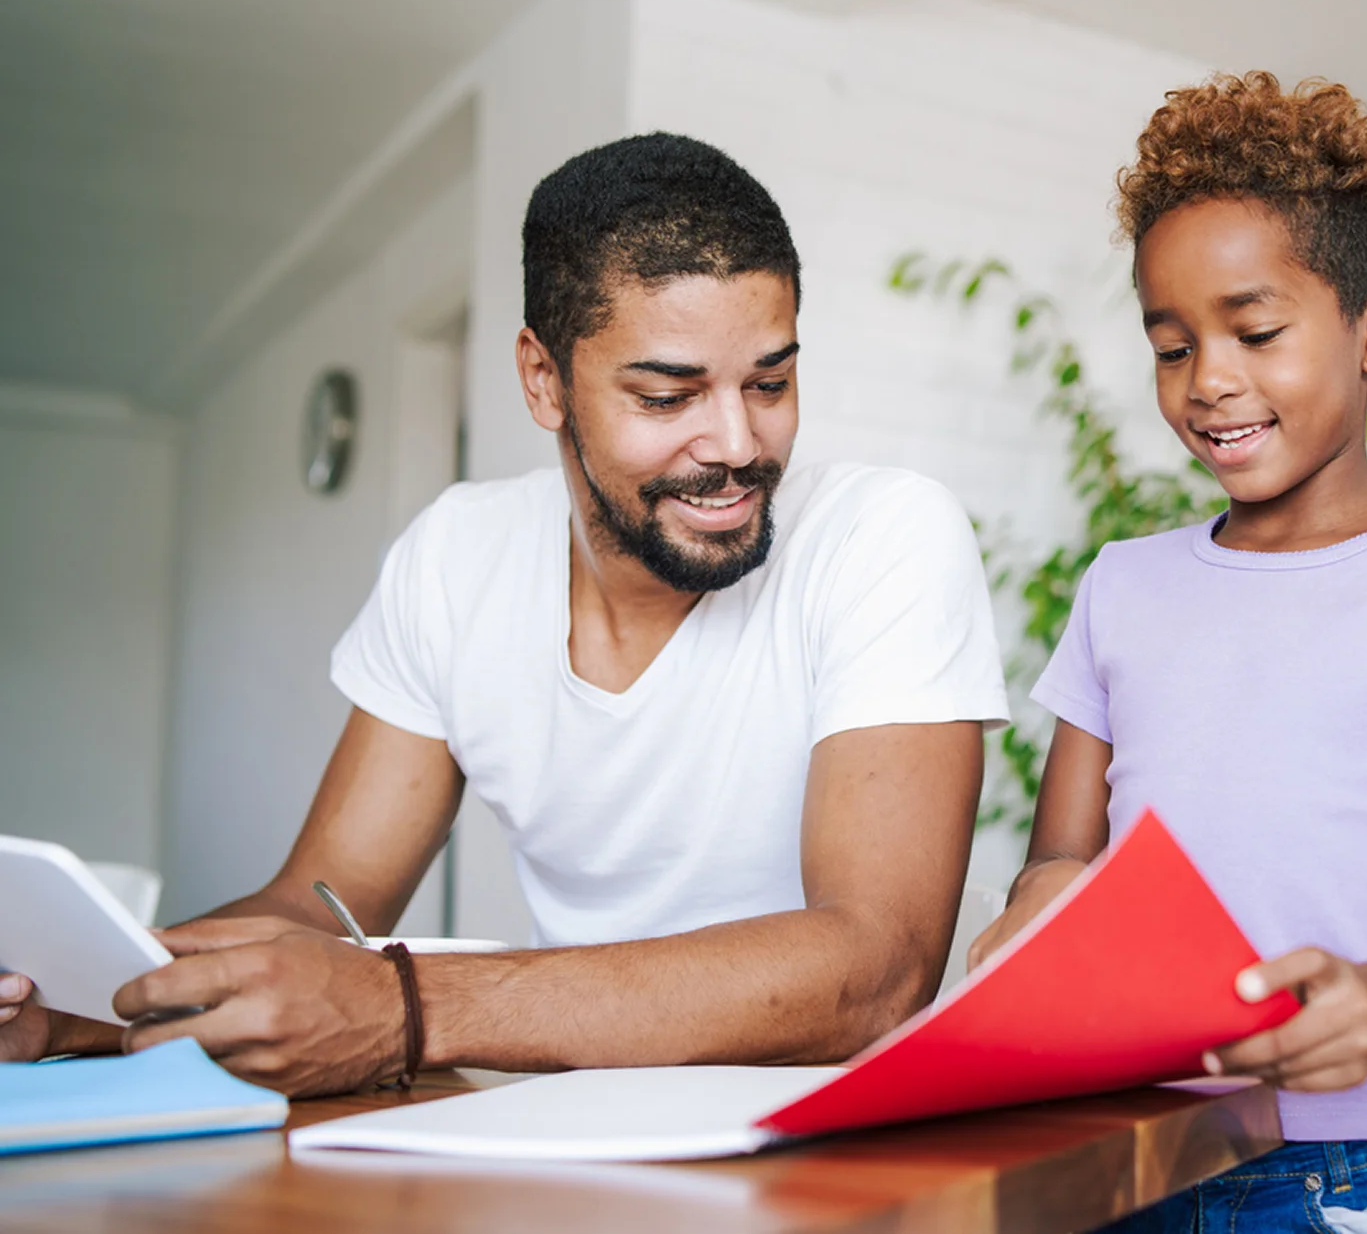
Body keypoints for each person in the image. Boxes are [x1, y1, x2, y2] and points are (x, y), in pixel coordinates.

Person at [0, 133, 1008, 1096]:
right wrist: (83, 1009)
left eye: (771, 382)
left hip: (842, 1165)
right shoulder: (456, 558)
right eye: (668, 397)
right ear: (543, 379)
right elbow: (321, 899)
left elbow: (874, 973)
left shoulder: (882, 536)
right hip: (561, 1134)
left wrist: (404, 1007)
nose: (737, 445)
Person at [967, 74, 1367, 1233]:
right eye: (1169, 344)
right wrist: (1040, 911)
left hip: (1355, 1180)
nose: (1208, 380)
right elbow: (1058, 859)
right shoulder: (1119, 587)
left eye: (1254, 331)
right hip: (1132, 1159)